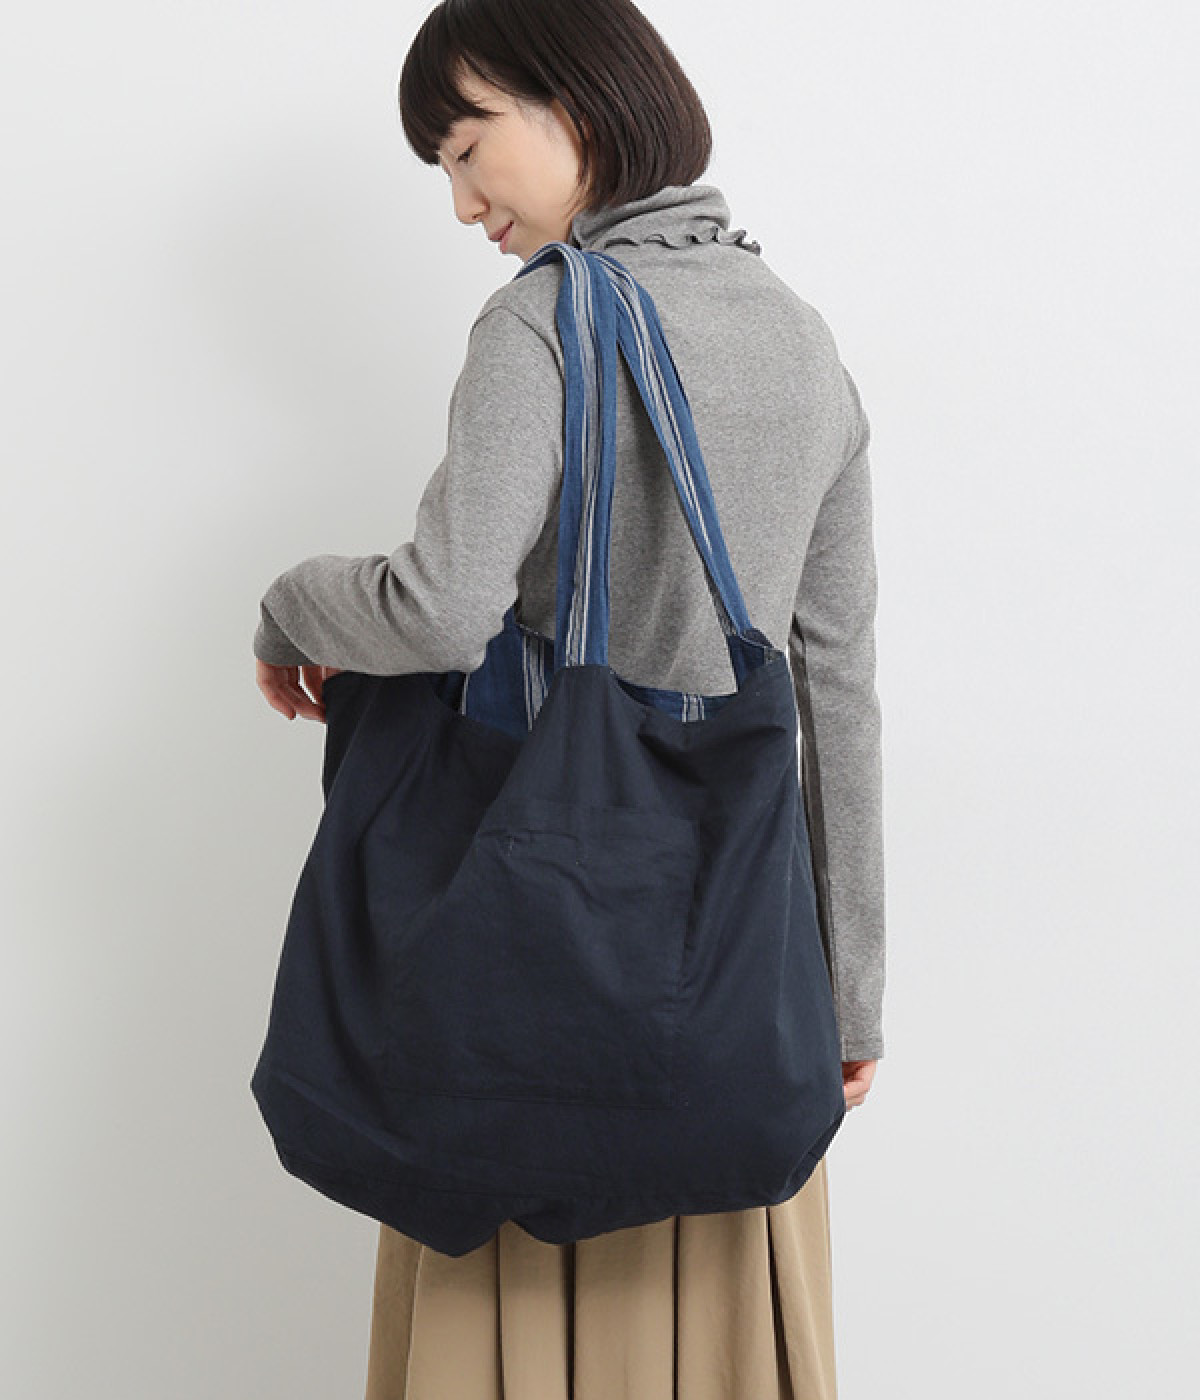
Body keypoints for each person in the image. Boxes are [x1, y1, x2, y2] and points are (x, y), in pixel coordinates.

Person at [252, 1, 884, 1394]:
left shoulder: (540, 323)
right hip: (732, 1007)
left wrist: (292, 601)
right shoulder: (803, 341)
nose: (462, 201)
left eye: (467, 147)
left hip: (527, 1017)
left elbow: (441, 608)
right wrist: (849, 1001)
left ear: (576, 102)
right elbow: (836, 682)